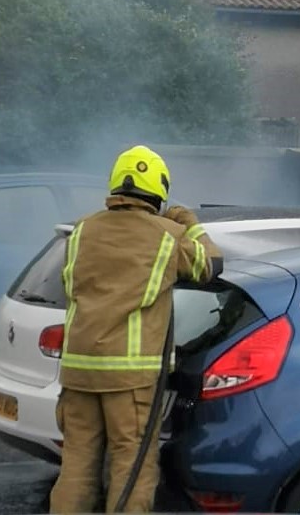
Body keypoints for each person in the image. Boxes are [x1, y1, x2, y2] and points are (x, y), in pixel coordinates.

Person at [49, 145, 221, 514]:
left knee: (77, 468)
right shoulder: (168, 235)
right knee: (133, 470)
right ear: (158, 189)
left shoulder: (81, 231)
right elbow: (212, 264)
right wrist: (189, 221)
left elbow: (69, 284)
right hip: (130, 379)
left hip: (78, 371)